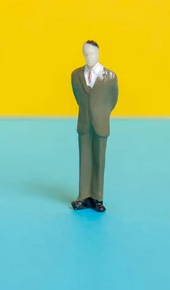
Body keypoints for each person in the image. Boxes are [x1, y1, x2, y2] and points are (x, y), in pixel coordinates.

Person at [70, 40, 118, 212]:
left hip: (101, 124)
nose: (88, 57)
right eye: (85, 53)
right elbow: (78, 97)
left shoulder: (110, 77)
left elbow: (113, 99)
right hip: (84, 123)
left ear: (98, 54)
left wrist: (102, 113)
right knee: (84, 160)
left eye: (92, 53)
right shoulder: (76, 75)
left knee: (99, 160)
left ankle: (97, 197)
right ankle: (83, 196)